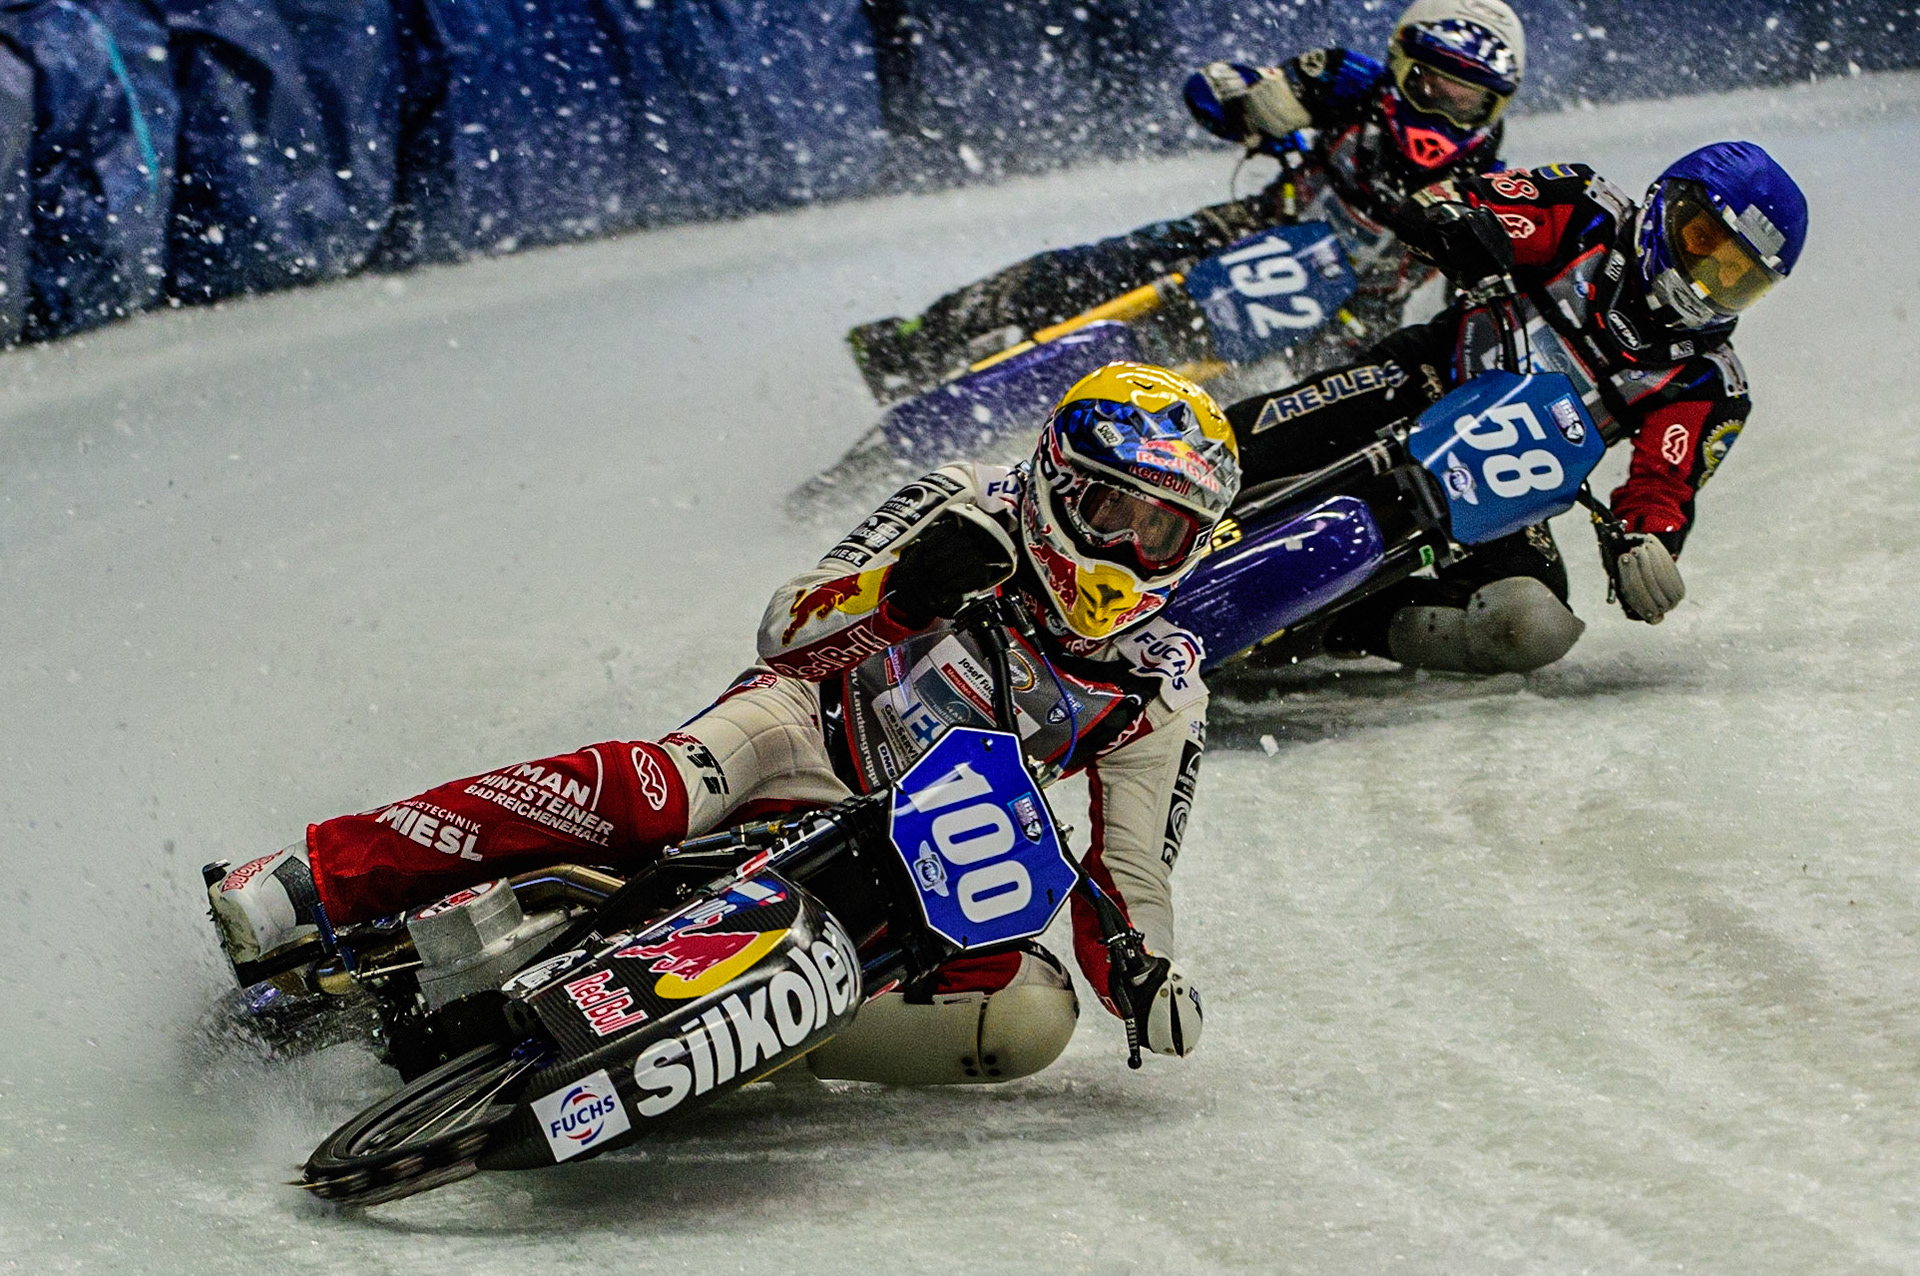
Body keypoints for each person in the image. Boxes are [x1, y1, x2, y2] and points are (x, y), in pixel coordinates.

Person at [209, 362, 1239, 1083]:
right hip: (799, 731)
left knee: (1030, 1011)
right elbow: (786, 627)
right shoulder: (965, 502)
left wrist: (1142, 976)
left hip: (915, 860)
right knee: (658, 791)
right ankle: (314, 876)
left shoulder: (1162, 683)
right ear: (1060, 483)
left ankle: (753, 1052)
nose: (1131, 548)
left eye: (1165, 531)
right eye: (1114, 512)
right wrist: (902, 596)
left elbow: (1132, 872)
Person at [1222, 142, 1809, 674]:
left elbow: (1663, 491)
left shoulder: (1712, 385)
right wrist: (1456, 225)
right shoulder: (1586, 209)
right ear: (1666, 203)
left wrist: (1646, 545)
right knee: (1229, 445)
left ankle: (1339, 624)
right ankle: (1147, 502)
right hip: (1421, 377)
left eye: (1736, 276)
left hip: (1508, 488)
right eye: (1704, 243)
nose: (1706, 280)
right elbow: (1451, 200)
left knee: (1529, 624)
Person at [847, 0, 1526, 403]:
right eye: (1433, 82)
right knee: (1078, 269)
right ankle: (917, 344)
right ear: (1403, 64)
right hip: (1260, 226)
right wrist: (1254, 100)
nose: (1446, 103)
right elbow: (1211, 91)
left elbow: (1480, 298)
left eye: (1468, 95)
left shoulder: (1490, 190)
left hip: (1358, 311)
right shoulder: (1345, 79)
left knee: (1305, 417)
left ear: (1495, 104)